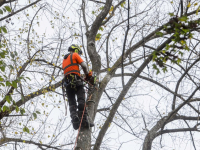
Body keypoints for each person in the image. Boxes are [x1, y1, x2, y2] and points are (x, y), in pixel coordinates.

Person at [62, 44, 94, 130]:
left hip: (67, 83)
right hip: (76, 81)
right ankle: (84, 121)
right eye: (79, 53)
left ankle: (75, 120)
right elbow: (84, 65)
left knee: (72, 103)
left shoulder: (64, 60)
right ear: (76, 50)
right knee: (81, 100)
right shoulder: (75, 55)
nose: (79, 54)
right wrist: (88, 75)